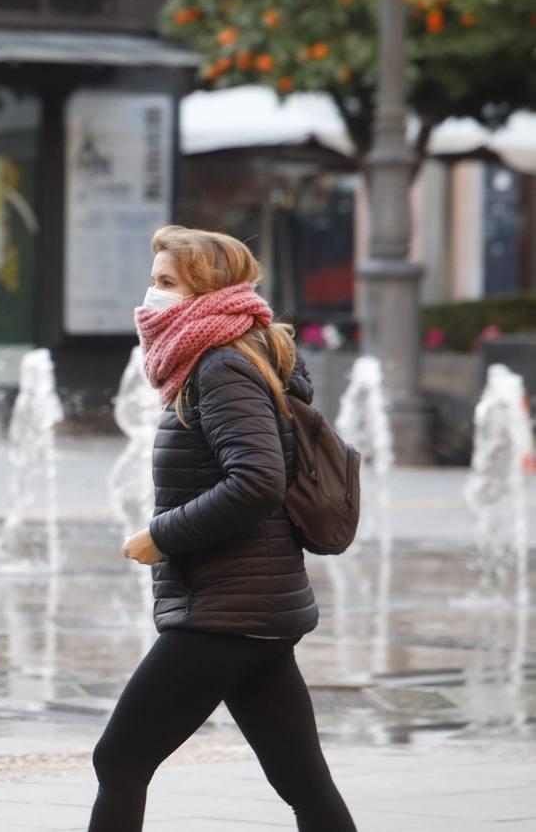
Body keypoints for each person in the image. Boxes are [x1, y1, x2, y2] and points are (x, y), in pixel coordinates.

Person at [87, 225, 357, 832]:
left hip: (226, 608)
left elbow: (256, 480)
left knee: (120, 759)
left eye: (165, 283)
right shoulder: (228, 357)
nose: (151, 296)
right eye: (153, 280)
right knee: (302, 781)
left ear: (207, 291)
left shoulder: (221, 365)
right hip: (252, 606)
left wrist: (163, 536)